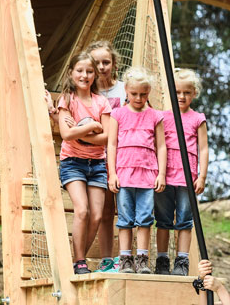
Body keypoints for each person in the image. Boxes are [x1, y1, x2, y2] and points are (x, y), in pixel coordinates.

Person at [56, 52, 113, 274]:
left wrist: (78, 131)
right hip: (73, 162)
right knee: (82, 210)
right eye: (80, 70)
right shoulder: (67, 100)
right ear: (71, 73)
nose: (85, 75)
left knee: (97, 215)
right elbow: (66, 135)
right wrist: (91, 127)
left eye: (89, 71)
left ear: (94, 75)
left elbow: (107, 137)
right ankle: (80, 261)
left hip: (97, 164)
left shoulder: (102, 102)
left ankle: (77, 260)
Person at [106, 67, 167, 274]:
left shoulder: (155, 116)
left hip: (147, 177)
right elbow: (112, 145)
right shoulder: (118, 114)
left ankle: (142, 260)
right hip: (123, 176)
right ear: (126, 90)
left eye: (143, 94)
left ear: (148, 92)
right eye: (134, 94)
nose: (139, 98)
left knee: (145, 219)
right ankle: (125, 259)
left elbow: (161, 146)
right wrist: (112, 174)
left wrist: (161, 174)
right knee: (125, 220)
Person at [154, 68, 209, 275]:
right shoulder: (162, 117)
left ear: (194, 93)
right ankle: (161, 260)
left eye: (187, 92)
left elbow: (203, 149)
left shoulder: (198, 119)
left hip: (187, 179)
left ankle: (182, 262)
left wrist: (201, 175)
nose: (182, 96)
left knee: (185, 219)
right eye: (177, 92)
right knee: (163, 220)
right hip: (165, 177)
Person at [86, 41, 127, 272]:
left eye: (106, 62)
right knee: (104, 210)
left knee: (123, 208)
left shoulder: (124, 89)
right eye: (96, 63)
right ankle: (106, 259)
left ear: (114, 64)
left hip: (122, 155)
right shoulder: (88, 92)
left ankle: (125, 257)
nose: (101, 67)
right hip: (96, 157)